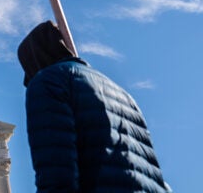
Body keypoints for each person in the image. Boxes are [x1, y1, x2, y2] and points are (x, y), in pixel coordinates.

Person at [17, 21, 171, 193]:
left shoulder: (48, 81)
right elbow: (153, 171)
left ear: (34, 58)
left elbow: (56, 170)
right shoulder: (124, 94)